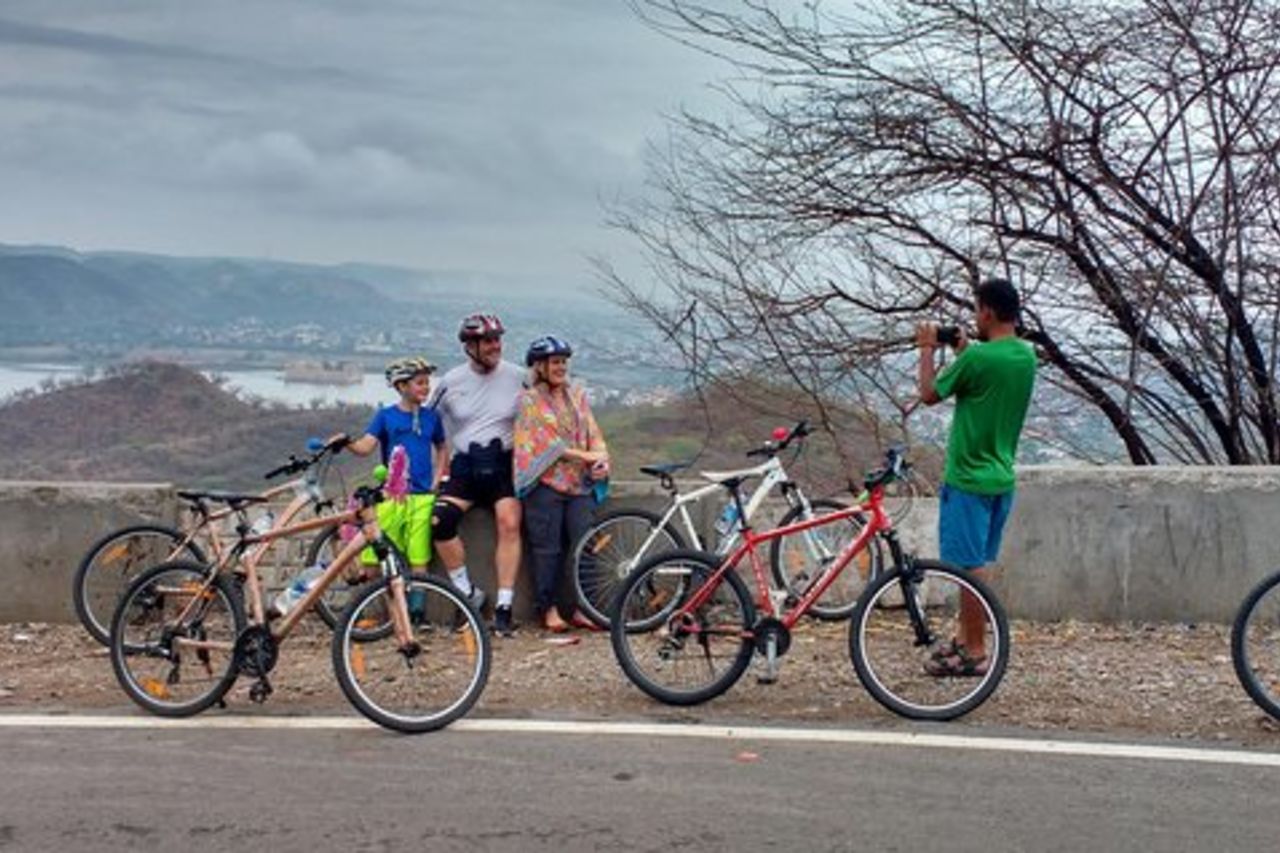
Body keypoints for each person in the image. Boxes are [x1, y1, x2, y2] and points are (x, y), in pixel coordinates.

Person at [916, 278, 1036, 676]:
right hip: (1001, 477)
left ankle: (977, 651)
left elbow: (929, 393)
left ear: (986, 311)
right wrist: (964, 349)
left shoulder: (979, 359)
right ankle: (967, 641)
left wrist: (927, 349)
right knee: (979, 563)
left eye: (976, 309)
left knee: (968, 569)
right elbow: (987, 374)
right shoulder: (1024, 354)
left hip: (967, 478)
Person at [332, 356, 452, 621]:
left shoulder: (432, 417)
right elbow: (366, 447)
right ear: (401, 386)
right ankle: (379, 611)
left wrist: (437, 477)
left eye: (427, 383)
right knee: (377, 557)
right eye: (419, 383)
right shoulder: (386, 416)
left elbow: (442, 446)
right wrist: (348, 442)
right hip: (392, 496)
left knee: (419, 556)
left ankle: (416, 613)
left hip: (422, 496)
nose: (426, 388)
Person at [430, 313, 525, 636]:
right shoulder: (450, 382)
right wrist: (434, 473)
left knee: (509, 522)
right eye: (487, 341)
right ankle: (467, 594)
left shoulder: (518, 376)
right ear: (470, 346)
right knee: (439, 522)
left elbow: (548, 410)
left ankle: (504, 607)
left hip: (503, 463)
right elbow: (432, 428)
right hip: (465, 466)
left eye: (497, 339)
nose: (495, 346)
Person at [513, 336, 610, 632]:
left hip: (578, 484)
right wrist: (588, 455)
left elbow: (592, 429)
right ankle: (548, 608)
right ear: (540, 366)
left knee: (586, 544)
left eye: (563, 362)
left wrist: (602, 458)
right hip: (545, 485)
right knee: (547, 550)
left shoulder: (576, 395)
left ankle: (585, 607)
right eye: (555, 362)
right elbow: (547, 445)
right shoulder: (528, 400)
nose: (561, 368)